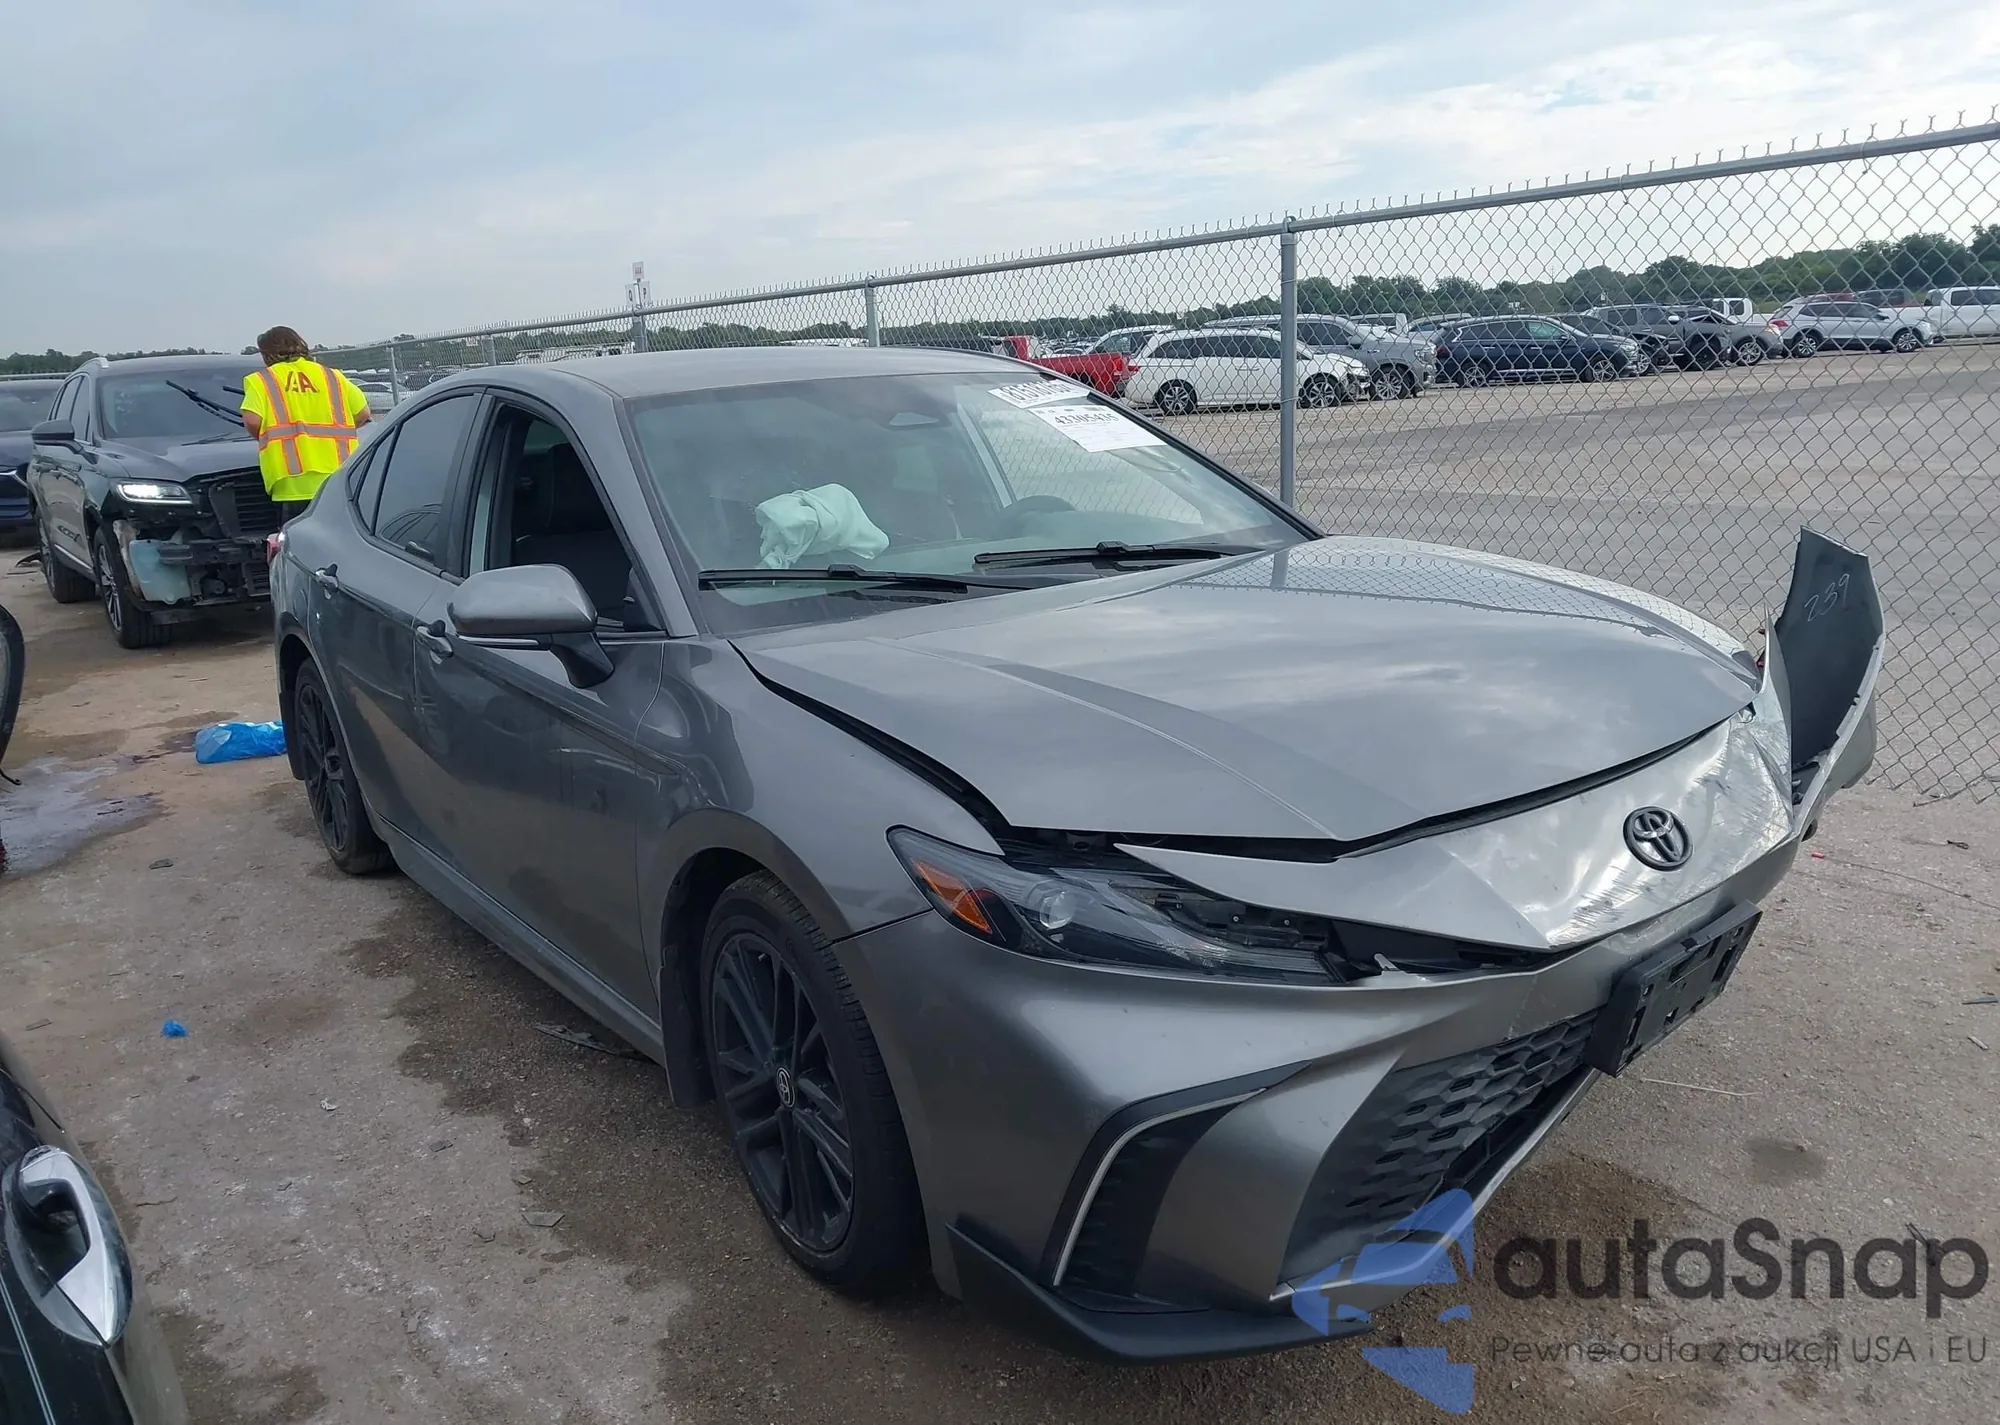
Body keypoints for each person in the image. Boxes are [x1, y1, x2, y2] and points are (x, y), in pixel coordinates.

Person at [238, 326, 371, 521]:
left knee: (298, 537)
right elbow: (363, 413)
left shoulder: (263, 380)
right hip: (338, 478)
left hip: (291, 482)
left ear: (266, 354)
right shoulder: (332, 376)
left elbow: (252, 420)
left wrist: (268, 435)